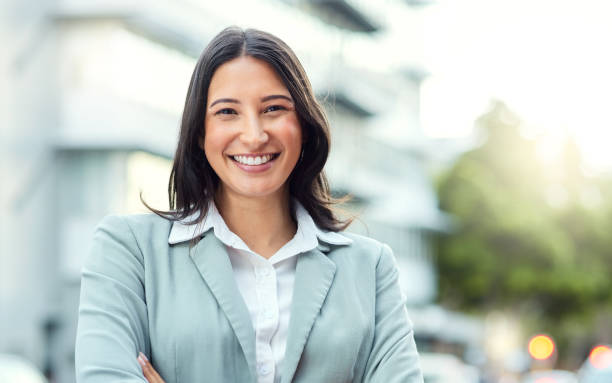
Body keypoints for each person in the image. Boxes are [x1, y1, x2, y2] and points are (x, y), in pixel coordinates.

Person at [74, 26, 423, 383]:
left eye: (273, 108)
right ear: (200, 132)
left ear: (302, 125)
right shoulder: (129, 251)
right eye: (227, 112)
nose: (254, 135)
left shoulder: (370, 269)